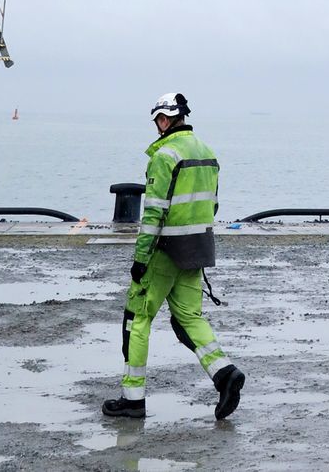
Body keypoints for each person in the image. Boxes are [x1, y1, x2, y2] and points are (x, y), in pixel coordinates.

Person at [102, 90, 245, 422]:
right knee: (190, 319)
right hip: (196, 250)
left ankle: (132, 398)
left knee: (137, 321)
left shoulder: (164, 156)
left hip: (164, 252)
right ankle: (225, 374)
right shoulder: (208, 153)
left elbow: (153, 214)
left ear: (165, 120)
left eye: (157, 121)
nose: (157, 127)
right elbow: (213, 205)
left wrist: (140, 259)